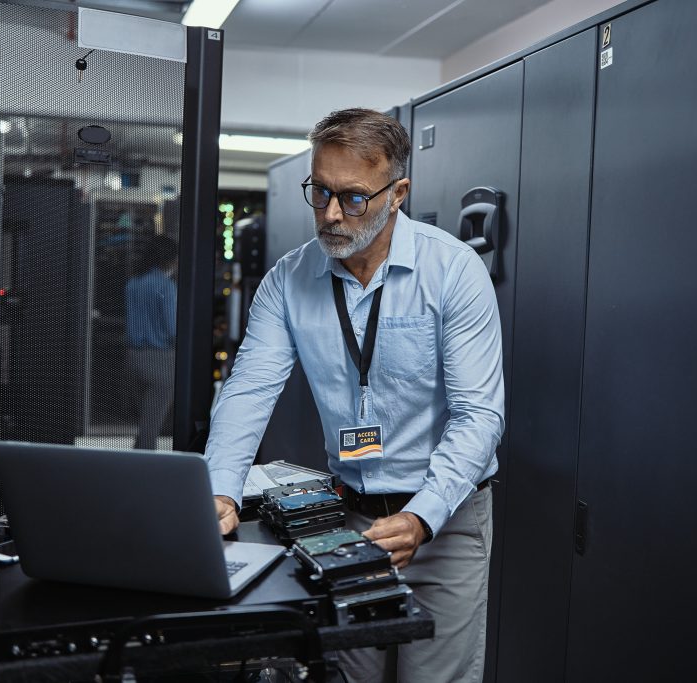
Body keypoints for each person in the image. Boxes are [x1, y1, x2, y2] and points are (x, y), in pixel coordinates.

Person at [205, 108, 504, 682]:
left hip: (444, 519)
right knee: (353, 676)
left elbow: (479, 415)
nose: (332, 214)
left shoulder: (454, 272)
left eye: (353, 197)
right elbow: (247, 390)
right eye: (319, 193)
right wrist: (221, 492)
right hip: (346, 518)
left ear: (399, 193)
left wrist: (423, 517)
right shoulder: (289, 280)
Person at [125, 234, 177, 450]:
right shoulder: (165, 286)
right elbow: (173, 327)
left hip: (133, 358)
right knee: (151, 425)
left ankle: (137, 465)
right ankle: (143, 471)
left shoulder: (132, 284)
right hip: (161, 359)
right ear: (170, 259)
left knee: (144, 422)